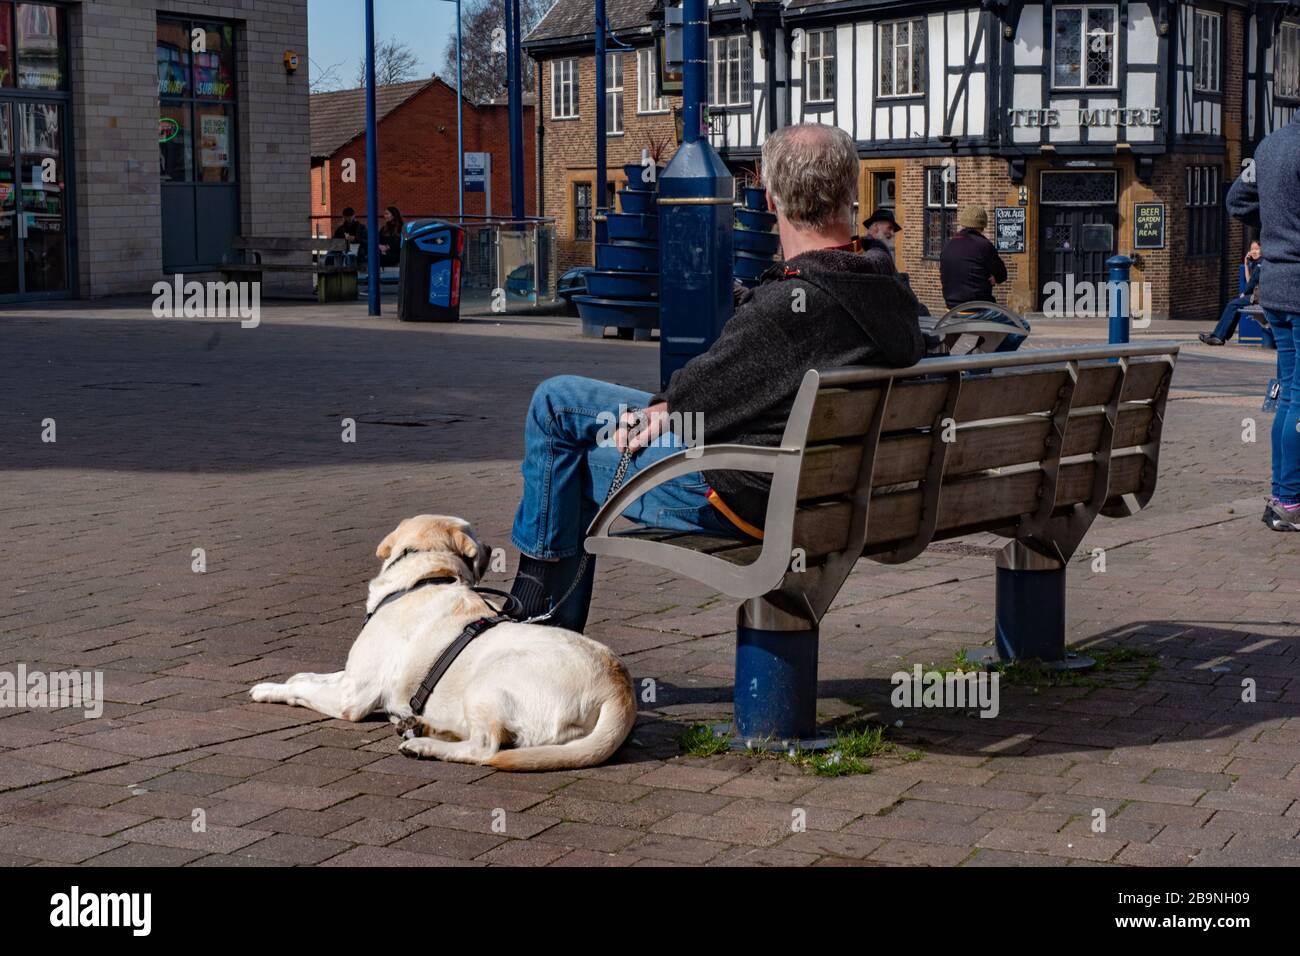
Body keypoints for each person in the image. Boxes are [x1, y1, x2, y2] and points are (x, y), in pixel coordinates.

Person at [506, 123, 925, 631]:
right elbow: (709, 394)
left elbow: (698, 403)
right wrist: (669, 407)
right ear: (850, 192)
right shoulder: (887, 289)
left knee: (560, 431)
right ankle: (540, 622)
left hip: (747, 494)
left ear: (771, 201)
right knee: (564, 403)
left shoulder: (788, 308)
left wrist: (667, 408)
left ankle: (533, 617)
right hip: (833, 492)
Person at [1227, 113, 1300, 531]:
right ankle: (1290, 499)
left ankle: (1283, 495)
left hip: (1274, 287)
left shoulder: (1269, 146)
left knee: (1288, 396)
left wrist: (1274, 226)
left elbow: (1237, 201)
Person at [939, 204, 1007, 308]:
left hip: (952, 308)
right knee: (1022, 324)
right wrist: (995, 277)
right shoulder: (983, 245)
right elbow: (1002, 275)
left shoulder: (948, 245)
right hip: (979, 308)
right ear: (983, 225)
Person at [1199, 242, 1264, 346]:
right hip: (1256, 295)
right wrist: (1246, 265)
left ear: (1263, 250)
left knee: (1232, 305)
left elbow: (1250, 285)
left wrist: (1244, 293)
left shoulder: (1261, 264)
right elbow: (1250, 282)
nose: (1254, 252)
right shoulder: (1257, 263)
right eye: (1252, 249)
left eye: (1257, 249)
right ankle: (1220, 335)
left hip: (1260, 297)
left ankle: (1219, 336)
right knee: (1236, 305)